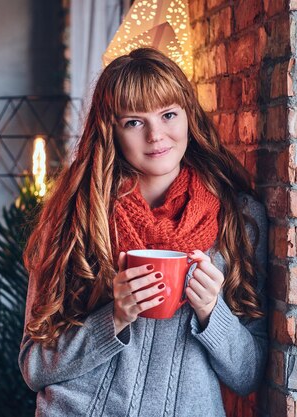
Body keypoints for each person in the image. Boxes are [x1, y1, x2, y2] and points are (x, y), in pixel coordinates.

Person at [19, 47, 268, 417]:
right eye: (134, 122)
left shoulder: (239, 219)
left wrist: (212, 312)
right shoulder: (78, 214)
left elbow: (248, 375)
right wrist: (114, 317)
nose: (156, 135)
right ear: (112, 131)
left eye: (168, 114)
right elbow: (34, 365)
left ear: (188, 117)